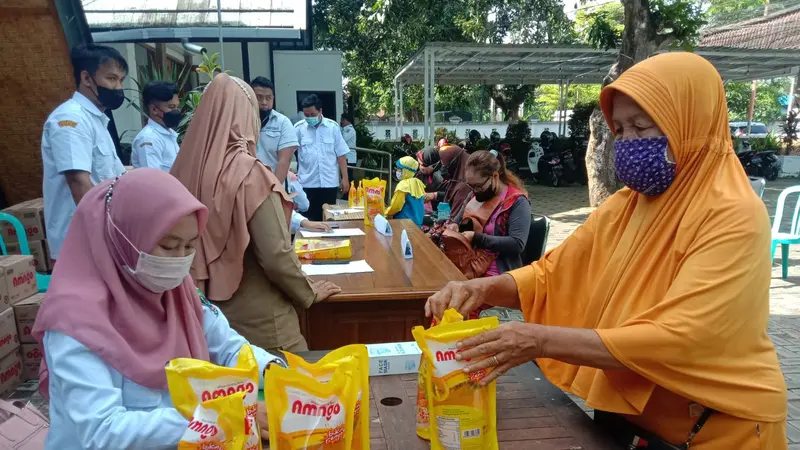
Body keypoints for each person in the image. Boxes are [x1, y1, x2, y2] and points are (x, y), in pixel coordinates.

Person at [425, 53, 787, 449]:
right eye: (621, 130)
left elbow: (680, 338)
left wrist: (538, 339)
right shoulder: (627, 204)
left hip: (719, 428)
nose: (628, 143)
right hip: (636, 422)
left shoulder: (733, 215)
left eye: (642, 127)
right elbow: (552, 275)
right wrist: (481, 290)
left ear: (691, 123)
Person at [33, 169, 283, 449]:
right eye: (168, 246)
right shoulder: (74, 321)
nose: (179, 260)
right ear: (123, 239)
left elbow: (229, 348)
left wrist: (278, 373)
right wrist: (226, 417)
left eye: (189, 246)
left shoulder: (178, 293)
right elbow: (102, 430)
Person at [171, 74, 340, 353]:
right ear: (245, 117)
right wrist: (308, 292)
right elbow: (275, 254)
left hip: (201, 320)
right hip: (260, 326)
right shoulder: (249, 173)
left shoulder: (183, 170)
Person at [41, 43, 128, 262]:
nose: (118, 87)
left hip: (103, 235)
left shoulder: (97, 120)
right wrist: (105, 230)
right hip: (82, 240)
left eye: (121, 80)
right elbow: (79, 182)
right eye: (111, 78)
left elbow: (116, 177)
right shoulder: (71, 120)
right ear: (87, 78)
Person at [451, 150, 531, 277]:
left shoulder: (517, 202)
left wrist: (477, 237)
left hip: (498, 273)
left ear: (495, 177)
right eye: (470, 186)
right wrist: (454, 225)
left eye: (478, 186)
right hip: (469, 264)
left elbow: (517, 244)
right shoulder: (473, 195)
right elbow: (456, 220)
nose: (474, 191)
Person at [295, 94, 350, 221]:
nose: (309, 118)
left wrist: (345, 178)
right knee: (308, 220)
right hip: (307, 183)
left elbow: (341, 154)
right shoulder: (298, 128)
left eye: (312, 114)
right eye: (306, 115)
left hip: (329, 183)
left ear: (320, 111)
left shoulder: (333, 127)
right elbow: (288, 153)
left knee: (329, 220)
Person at [251, 76, 297, 183]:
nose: (264, 102)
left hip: (273, 183)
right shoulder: (240, 121)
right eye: (259, 97)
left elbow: (285, 160)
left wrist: (275, 189)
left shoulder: (282, 123)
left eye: (268, 98)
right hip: (246, 187)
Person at [131, 81, 181, 172]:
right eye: (171, 107)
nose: (176, 111)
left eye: (177, 107)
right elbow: (152, 179)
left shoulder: (169, 135)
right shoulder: (149, 139)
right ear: (154, 109)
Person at [424, 144, 471, 220]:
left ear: (454, 163)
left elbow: (454, 220)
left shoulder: (463, 187)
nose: (442, 168)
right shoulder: (454, 180)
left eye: (444, 164)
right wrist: (441, 220)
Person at [386, 156, 427, 227]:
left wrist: (386, 213)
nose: (397, 171)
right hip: (417, 224)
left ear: (406, 170)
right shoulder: (418, 183)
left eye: (399, 169)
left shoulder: (403, 185)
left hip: (402, 223)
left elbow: (396, 206)